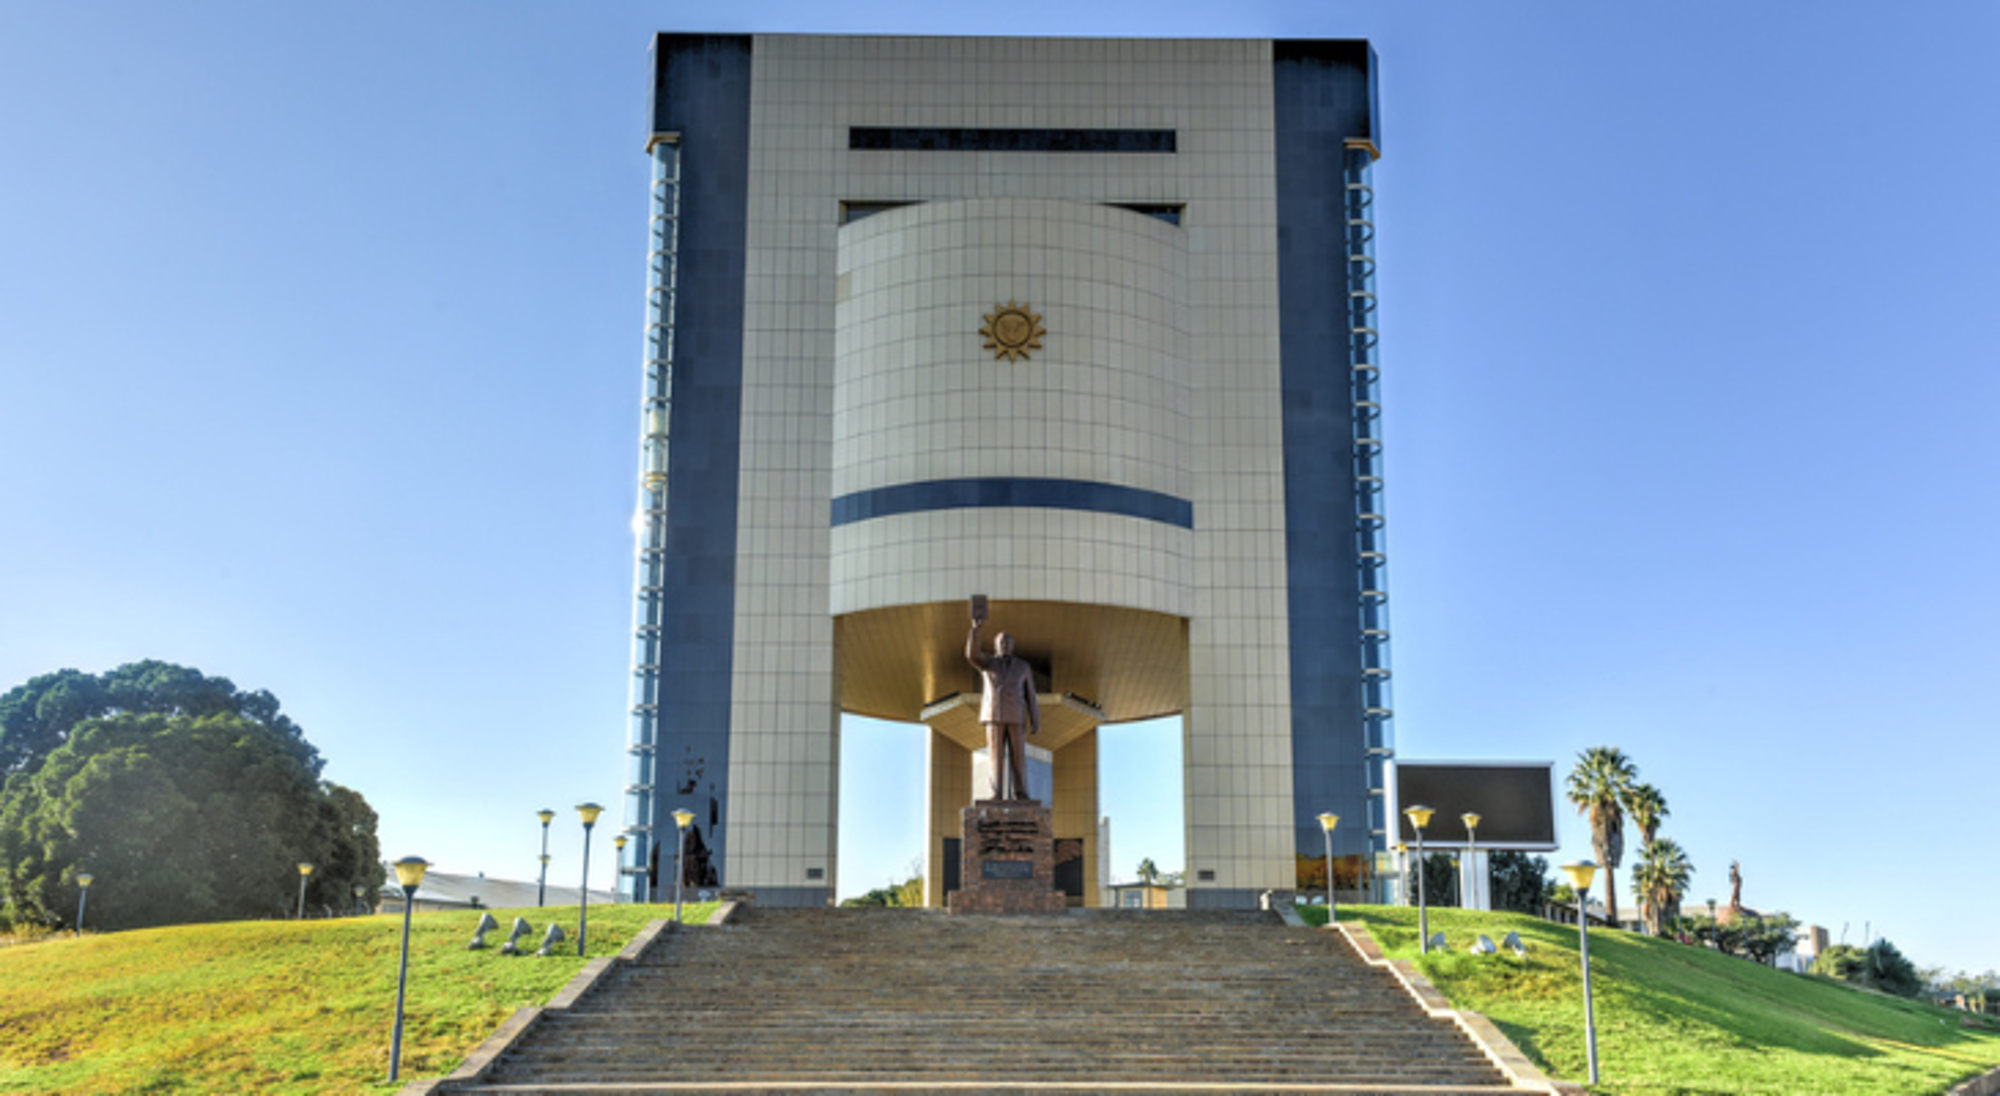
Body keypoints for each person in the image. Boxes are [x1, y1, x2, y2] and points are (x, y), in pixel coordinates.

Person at [966, 609, 1040, 801]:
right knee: (995, 758)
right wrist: (976, 630)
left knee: (1019, 758)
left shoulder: (1023, 667)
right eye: (1001, 642)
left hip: (1017, 716)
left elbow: (1031, 695)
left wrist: (1036, 719)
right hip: (994, 715)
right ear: (995, 645)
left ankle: (1021, 793)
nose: (1005, 645)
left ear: (1012, 646)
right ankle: (995, 793)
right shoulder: (987, 663)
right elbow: (971, 655)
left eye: (1008, 642)